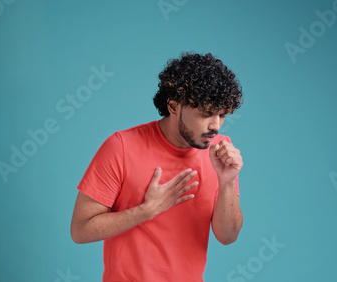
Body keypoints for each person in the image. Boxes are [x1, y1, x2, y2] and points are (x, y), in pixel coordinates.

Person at [70, 52, 244, 281]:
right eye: (206, 114)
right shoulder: (121, 147)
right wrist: (147, 210)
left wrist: (227, 181)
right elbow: (80, 230)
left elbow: (227, 236)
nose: (215, 125)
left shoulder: (221, 152)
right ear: (173, 106)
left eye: (222, 115)